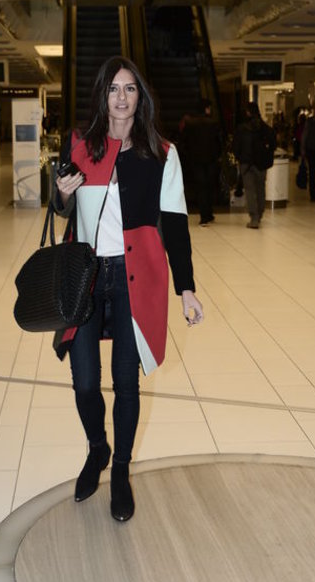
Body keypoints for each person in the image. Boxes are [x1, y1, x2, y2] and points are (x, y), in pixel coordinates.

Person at [54, 56, 203, 522]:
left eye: (130, 89)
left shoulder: (160, 153)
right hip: (87, 276)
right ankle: (97, 447)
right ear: (102, 95)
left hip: (133, 279)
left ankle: (120, 469)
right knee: (84, 382)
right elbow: (61, 209)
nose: (121, 97)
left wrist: (186, 288)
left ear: (141, 97)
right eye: (114, 88)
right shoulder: (81, 146)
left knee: (125, 382)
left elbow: (175, 224)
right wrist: (62, 193)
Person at [232, 102, 276, 229]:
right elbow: (273, 145)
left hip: (246, 164)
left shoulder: (242, 129)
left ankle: (254, 218)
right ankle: (260, 214)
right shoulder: (265, 128)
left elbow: (236, 147)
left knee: (250, 191)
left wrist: (239, 158)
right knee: (260, 189)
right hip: (261, 165)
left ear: (248, 112)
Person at [180, 100, 223, 225]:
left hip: (195, 160)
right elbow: (219, 142)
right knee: (210, 186)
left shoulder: (190, 124)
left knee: (200, 187)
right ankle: (208, 213)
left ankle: (204, 215)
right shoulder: (214, 123)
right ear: (206, 109)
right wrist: (218, 156)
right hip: (211, 160)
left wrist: (188, 155)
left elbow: (183, 142)